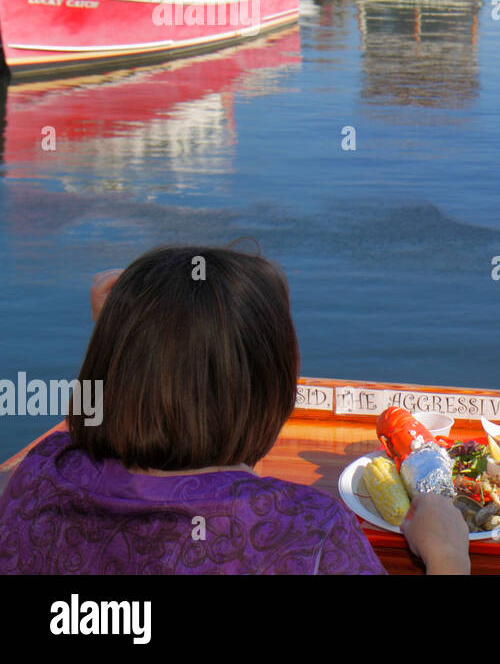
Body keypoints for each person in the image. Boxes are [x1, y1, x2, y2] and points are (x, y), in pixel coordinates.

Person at [0, 245, 466, 574]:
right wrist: (447, 558)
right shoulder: (303, 533)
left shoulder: (36, 476)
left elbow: (92, 445)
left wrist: (123, 344)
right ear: (273, 392)